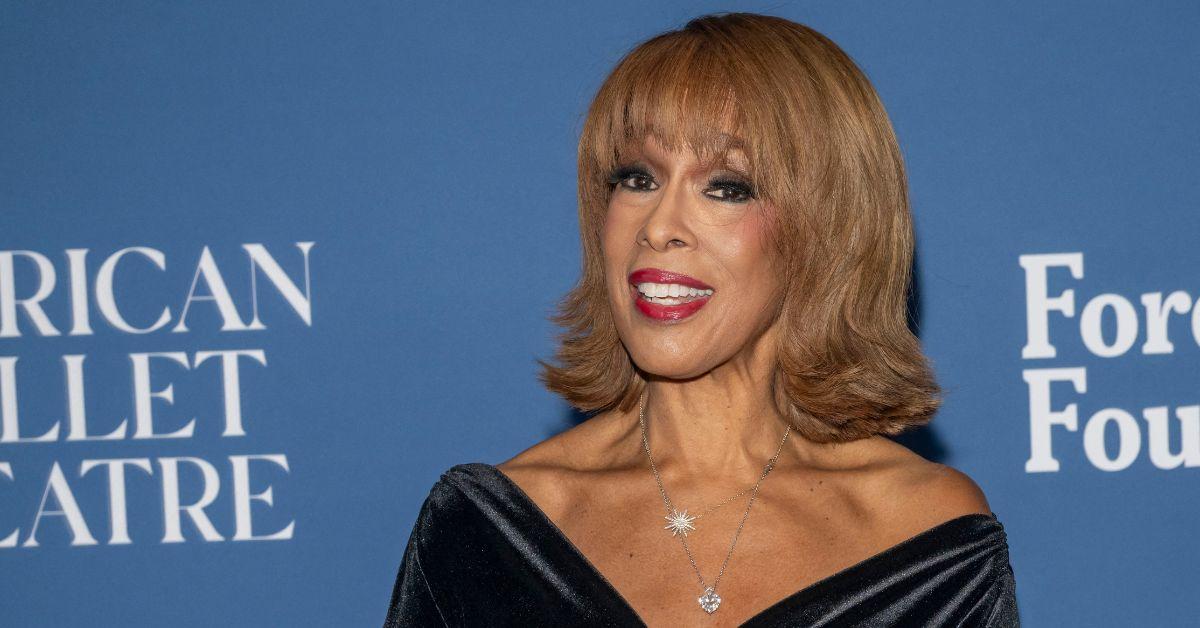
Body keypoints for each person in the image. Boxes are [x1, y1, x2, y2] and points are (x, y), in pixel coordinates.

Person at [384, 11, 1019, 627]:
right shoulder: (492, 537)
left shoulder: (923, 536)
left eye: (727, 187)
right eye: (637, 178)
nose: (659, 226)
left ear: (826, 231)